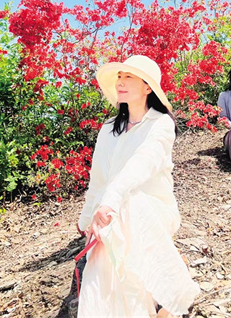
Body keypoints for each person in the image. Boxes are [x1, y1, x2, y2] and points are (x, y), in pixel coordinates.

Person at [77, 55, 200, 318]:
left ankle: (167, 295)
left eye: (129, 76)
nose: (120, 82)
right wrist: (86, 219)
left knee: (127, 204)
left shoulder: (161, 124)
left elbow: (141, 165)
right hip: (110, 212)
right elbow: (98, 178)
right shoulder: (108, 128)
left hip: (150, 208)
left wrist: (110, 203)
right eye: (119, 77)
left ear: (147, 87)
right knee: (104, 253)